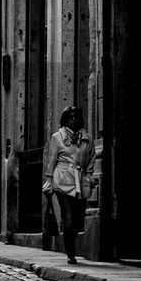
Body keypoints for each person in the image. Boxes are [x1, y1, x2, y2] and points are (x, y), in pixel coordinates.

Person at [42, 106, 95, 265]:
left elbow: (91, 158)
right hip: (62, 180)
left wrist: (88, 177)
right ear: (65, 120)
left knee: (78, 220)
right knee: (68, 219)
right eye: (70, 117)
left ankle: (70, 239)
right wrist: (49, 180)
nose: (74, 119)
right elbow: (52, 160)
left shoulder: (87, 138)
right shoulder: (57, 137)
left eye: (76, 116)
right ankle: (70, 254)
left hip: (81, 180)